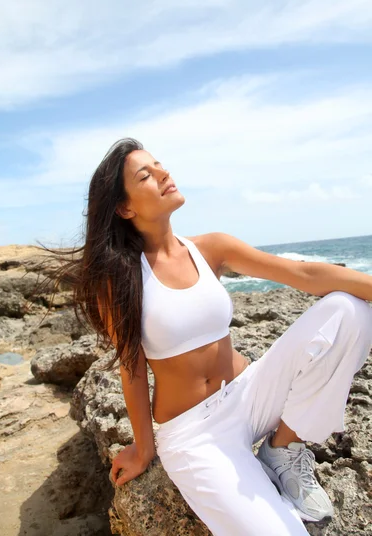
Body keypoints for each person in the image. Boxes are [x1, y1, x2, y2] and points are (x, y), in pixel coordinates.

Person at [42, 138, 372, 536]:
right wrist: (144, 449)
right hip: (197, 434)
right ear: (125, 207)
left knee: (348, 311)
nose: (163, 173)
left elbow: (303, 275)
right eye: (146, 175)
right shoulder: (121, 279)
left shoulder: (210, 248)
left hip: (252, 392)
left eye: (159, 165)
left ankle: (281, 449)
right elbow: (131, 368)